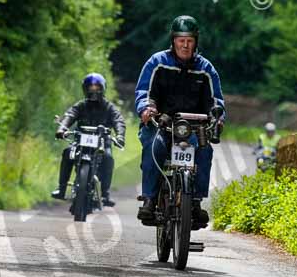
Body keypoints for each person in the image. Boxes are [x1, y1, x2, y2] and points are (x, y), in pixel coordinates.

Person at [134, 15, 225, 225]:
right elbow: (144, 91)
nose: (185, 45)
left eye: (190, 40)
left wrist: (217, 118)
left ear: (196, 42)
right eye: (181, 40)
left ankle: (195, 202)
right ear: (173, 40)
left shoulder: (206, 69)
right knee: (153, 148)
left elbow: (216, 100)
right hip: (160, 124)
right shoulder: (157, 62)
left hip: (192, 128)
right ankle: (149, 199)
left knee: (204, 151)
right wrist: (147, 108)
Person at [51, 73, 125, 206]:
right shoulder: (81, 105)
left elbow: (118, 120)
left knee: (108, 158)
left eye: (97, 87)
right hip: (80, 141)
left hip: (103, 142)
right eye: (90, 87)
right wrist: (62, 128)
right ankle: (61, 188)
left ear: (103, 88)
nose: (94, 90)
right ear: (85, 88)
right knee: (68, 152)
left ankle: (105, 195)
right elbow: (70, 115)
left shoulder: (109, 107)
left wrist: (120, 135)